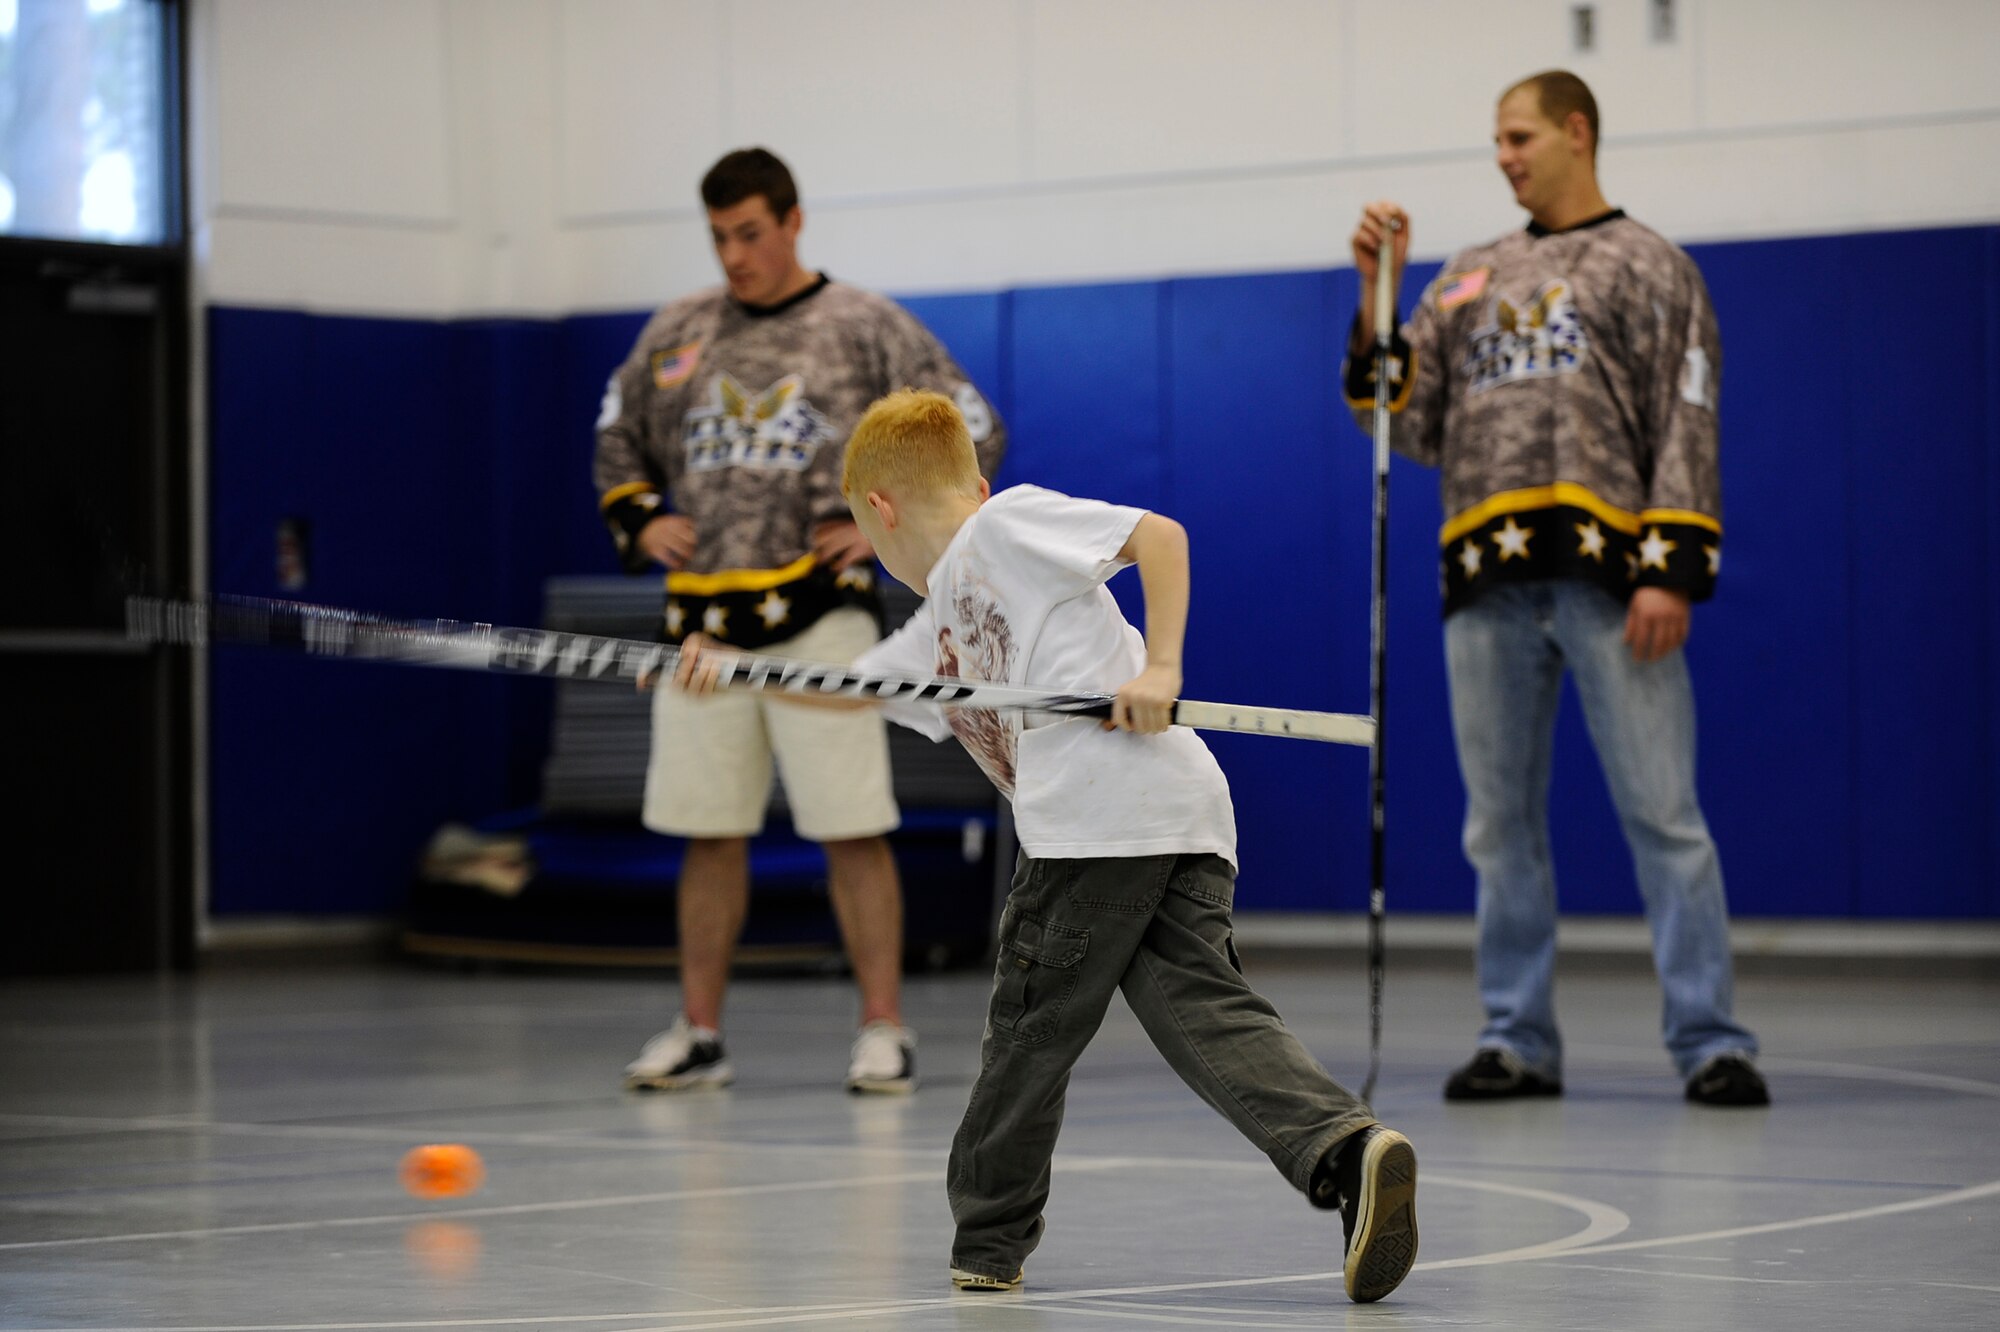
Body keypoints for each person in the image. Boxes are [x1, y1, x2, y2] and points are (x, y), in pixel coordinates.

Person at [674, 390, 1420, 1303]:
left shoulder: (1008, 524)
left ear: (879, 511)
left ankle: (986, 1241)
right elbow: (845, 686)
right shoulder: (937, 626)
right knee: (1200, 1012)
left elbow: (1162, 537)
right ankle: (1345, 1150)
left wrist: (1163, 669)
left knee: (1029, 1030)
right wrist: (738, 673)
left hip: (1096, 822)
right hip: (1174, 815)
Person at [1345, 71, 1767, 1107]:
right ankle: (1515, 1037)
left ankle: (1710, 1039)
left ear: (1576, 133)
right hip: (1481, 580)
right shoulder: (1463, 276)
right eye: (1494, 139)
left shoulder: (1650, 264)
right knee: (1496, 825)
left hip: (1610, 578)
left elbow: (1687, 417)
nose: (1503, 155)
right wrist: (1374, 292)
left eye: (1518, 135)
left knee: (1662, 813)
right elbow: (1397, 416)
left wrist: (1666, 568)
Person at [594, 148, 1006, 1095]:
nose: (734, 254)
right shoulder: (679, 331)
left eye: (749, 233)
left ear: (792, 222)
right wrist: (639, 516)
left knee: (852, 826)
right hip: (701, 626)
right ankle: (699, 1032)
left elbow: (971, 423)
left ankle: (884, 1028)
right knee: (710, 831)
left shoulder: (865, 326)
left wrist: (878, 526)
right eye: (719, 238)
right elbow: (615, 434)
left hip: (821, 616)